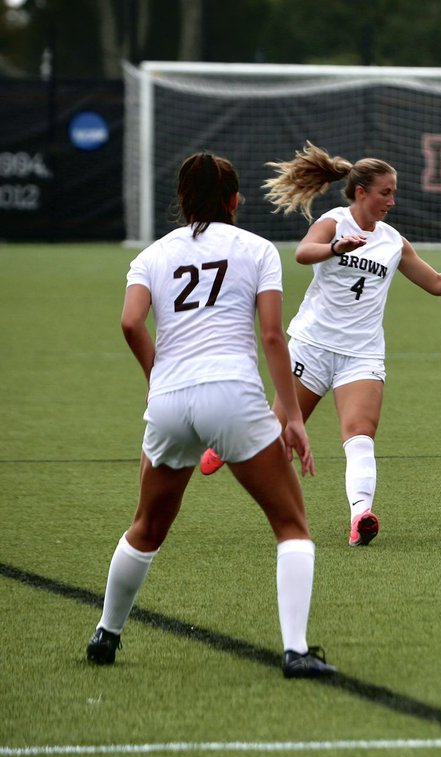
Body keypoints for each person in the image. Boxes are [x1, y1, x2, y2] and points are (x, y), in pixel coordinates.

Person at [86, 152, 334, 679]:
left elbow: (130, 323)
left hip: (169, 399)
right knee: (291, 523)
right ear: (234, 200)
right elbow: (272, 337)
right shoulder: (257, 249)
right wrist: (291, 414)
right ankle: (295, 651)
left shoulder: (152, 255)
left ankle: (106, 633)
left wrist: (158, 377)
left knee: (147, 526)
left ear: (181, 199)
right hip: (231, 393)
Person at [200, 142, 441, 546]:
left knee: (360, 433)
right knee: (275, 437)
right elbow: (303, 253)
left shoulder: (393, 241)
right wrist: (335, 247)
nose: (392, 201)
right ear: (361, 192)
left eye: (394, 193)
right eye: (385, 192)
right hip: (312, 346)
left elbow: (434, 283)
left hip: (361, 354)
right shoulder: (334, 221)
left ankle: (361, 515)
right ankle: (230, 441)